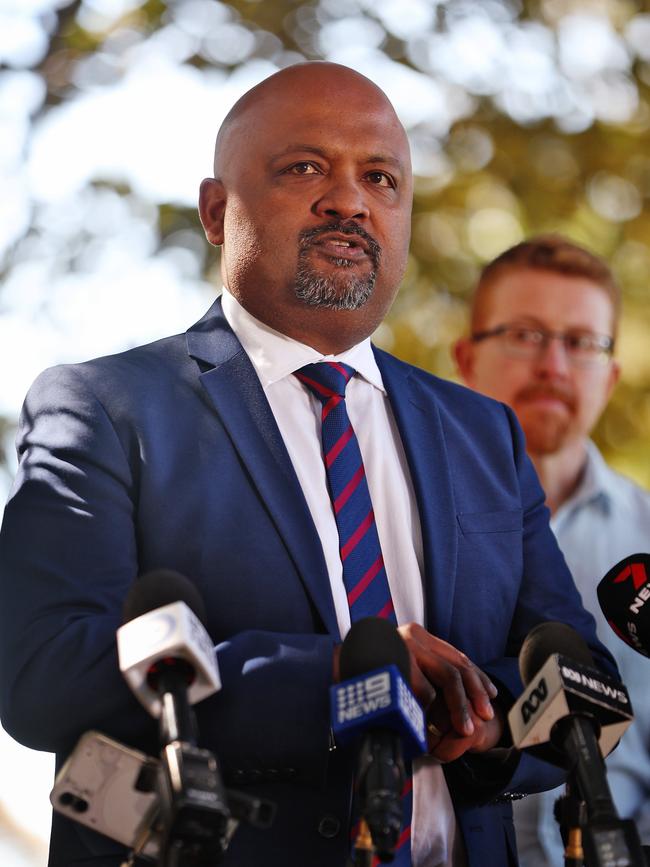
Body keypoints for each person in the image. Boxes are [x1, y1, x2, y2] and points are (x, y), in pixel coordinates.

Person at [0, 64, 613, 867]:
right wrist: (339, 676)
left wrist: (488, 723)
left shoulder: (482, 432)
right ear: (218, 212)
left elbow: (583, 680)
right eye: (305, 168)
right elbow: (45, 677)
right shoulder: (106, 407)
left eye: (381, 178)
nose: (349, 201)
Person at [454, 235, 650, 866]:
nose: (554, 366)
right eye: (526, 335)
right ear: (466, 358)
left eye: (581, 342)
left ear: (611, 374)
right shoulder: (395, 528)